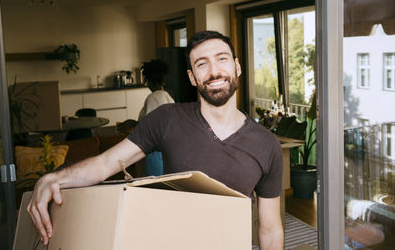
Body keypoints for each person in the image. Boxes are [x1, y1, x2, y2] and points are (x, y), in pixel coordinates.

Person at [27, 30, 284, 249]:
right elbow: (106, 164)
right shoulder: (167, 120)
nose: (214, 71)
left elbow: (270, 228)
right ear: (192, 77)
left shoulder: (267, 144)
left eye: (222, 59)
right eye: (202, 64)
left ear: (237, 66)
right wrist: (53, 178)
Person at [138, 59, 174, 176]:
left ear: (151, 81)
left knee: (155, 186)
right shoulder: (167, 96)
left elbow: (149, 128)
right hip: (167, 150)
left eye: (147, 80)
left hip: (156, 153)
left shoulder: (153, 97)